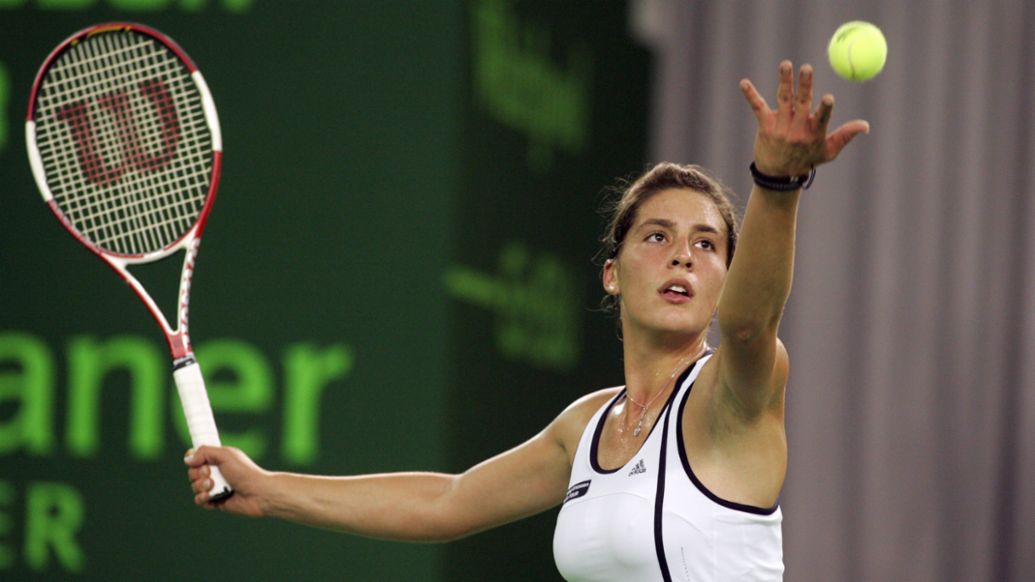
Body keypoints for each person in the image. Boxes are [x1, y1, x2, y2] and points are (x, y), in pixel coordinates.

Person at [185, 60, 868, 581]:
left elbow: (751, 326)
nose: (682, 257)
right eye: (656, 237)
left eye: (706, 245)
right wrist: (270, 489)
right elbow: (446, 503)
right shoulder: (585, 426)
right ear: (612, 273)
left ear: (724, 281)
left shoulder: (735, 394)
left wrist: (775, 186)